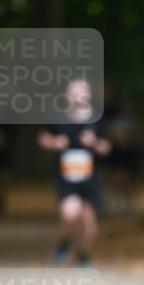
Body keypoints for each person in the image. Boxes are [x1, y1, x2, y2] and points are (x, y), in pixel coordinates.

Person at [38, 78, 111, 266]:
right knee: (71, 214)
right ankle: (65, 241)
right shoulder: (58, 118)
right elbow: (43, 138)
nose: (82, 94)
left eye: (85, 90)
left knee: (89, 221)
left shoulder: (97, 118)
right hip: (67, 178)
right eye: (77, 90)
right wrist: (54, 143)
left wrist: (94, 143)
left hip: (90, 177)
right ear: (68, 94)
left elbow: (107, 147)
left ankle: (83, 255)